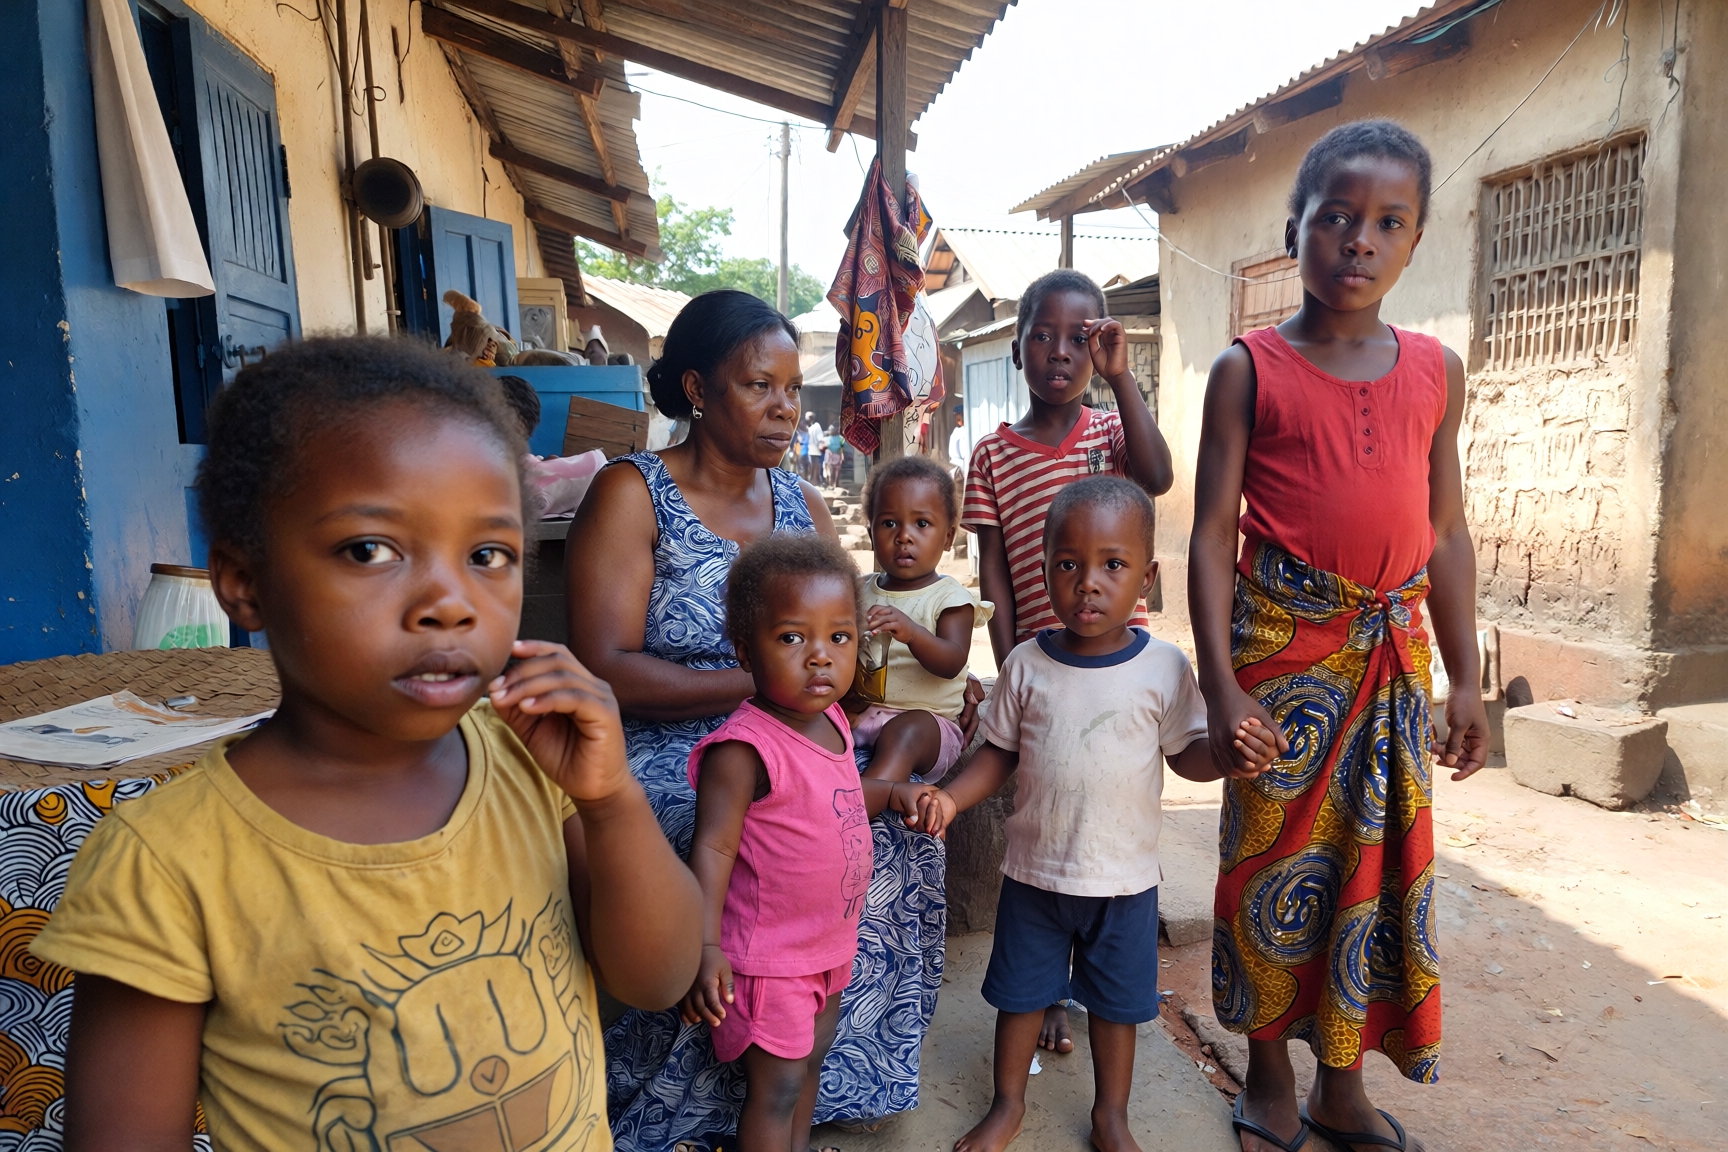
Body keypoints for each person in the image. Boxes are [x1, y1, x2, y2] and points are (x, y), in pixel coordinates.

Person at [31, 337, 702, 1152]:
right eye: (370, 551)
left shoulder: (530, 762)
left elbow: (657, 977)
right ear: (243, 582)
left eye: (488, 554)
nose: (450, 603)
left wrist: (611, 800)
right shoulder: (168, 861)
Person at [566, 290, 964, 1148]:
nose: (786, 406)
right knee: (718, 831)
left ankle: (820, 1072)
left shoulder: (802, 505)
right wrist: (751, 690)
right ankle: (704, 1099)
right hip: (676, 741)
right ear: (701, 388)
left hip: (792, 721)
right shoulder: (632, 493)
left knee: (889, 821)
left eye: (791, 387)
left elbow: (836, 635)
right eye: (760, 385)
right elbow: (605, 663)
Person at [1188, 120, 1489, 1152]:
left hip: (1393, 665)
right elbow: (1209, 534)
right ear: (1296, 230)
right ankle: (1269, 1069)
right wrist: (1222, 687)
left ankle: (1340, 1081)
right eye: (1337, 217)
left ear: (1415, 240)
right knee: (1270, 863)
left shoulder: (1437, 371)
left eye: (1387, 222)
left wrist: (1467, 678)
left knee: (1374, 868)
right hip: (1282, 661)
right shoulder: (1248, 368)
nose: (1359, 239)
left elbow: (1445, 532)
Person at [908, 478, 1279, 1152]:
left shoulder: (1165, 669)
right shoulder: (1026, 664)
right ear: (1043, 570)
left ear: (1148, 575)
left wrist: (1227, 757)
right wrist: (951, 797)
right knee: (1019, 998)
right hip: (1034, 875)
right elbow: (997, 754)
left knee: (1116, 1008)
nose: (1088, 583)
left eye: (1113, 564)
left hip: (1124, 882)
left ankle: (1111, 1115)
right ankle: (1007, 1103)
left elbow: (1187, 756)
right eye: (1068, 564)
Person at [959, 267, 1175, 1054]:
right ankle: (1045, 988)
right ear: (1017, 351)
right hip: (1043, 666)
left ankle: (1102, 975)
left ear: (1100, 347)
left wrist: (1123, 382)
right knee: (1046, 812)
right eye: (1042, 336)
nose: (1060, 350)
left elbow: (1156, 478)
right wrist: (1012, 659)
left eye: (1080, 338)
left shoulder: (1108, 436)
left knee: (1113, 805)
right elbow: (993, 570)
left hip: (1117, 670)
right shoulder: (992, 453)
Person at [681, 534, 902, 1152]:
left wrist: (892, 794)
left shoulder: (832, 720)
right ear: (744, 649)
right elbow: (714, 850)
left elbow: (836, 801)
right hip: (767, 961)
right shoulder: (743, 749)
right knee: (775, 1091)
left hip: (827, 947)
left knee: (810, 1070)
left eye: (839, 637)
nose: (820, 658)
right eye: (791, 637)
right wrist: (702, 945)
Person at [846, 455, 989, 792]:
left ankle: (862, 805)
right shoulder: (858, 591)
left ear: (948, 537)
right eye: (889, 523)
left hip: (929, 726)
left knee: (904, 733)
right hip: (861, 713)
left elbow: (952, 661)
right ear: (871, 531)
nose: (904, 537)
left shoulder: (949, 598)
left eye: (922, 524)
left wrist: (912, 634)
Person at [804, 414, 825, 483]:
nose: (805, 420)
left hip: (814, 450)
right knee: (814, 467)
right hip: (812, 450)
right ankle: (813, 482)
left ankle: (814, 482)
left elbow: (820, 439)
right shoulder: (812, 427)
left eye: (806, 418)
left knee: (814, 467)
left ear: (810, 419)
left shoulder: (816, 426)